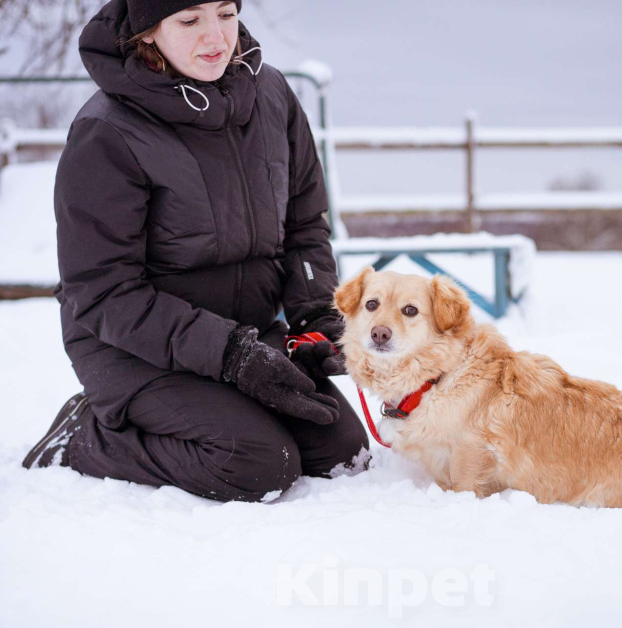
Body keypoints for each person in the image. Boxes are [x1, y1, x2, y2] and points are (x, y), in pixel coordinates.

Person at [22, 0, 369, 502]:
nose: (216, 38)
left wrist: (315, 315)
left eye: (226, 14)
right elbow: (101, 293)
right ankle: (83, 437)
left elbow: (304, 225)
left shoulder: (271, 94)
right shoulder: (107, 130)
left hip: (246, 336)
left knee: (341, 452)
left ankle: (231, 390)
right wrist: (229, 355)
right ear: (147, 32)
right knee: (259, 464)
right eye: (189, 21)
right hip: (133, 349)